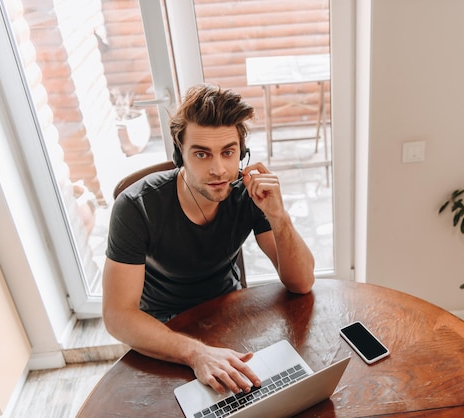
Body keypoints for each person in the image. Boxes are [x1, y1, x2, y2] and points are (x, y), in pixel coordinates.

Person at [102, 83, 315, 396]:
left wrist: (278, 215)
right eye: (201, 154)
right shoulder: (137, 207)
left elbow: (302, 283)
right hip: (165, 328)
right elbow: (118, 316)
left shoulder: (246, 193)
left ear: (241, 155)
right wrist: (196, 353)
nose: (218, 169)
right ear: (180, 154)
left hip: (228, 312)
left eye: (228, 153)